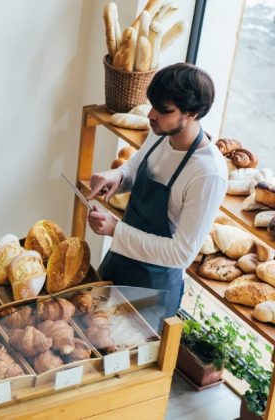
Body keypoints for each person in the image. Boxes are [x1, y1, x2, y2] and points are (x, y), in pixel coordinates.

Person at [86, 63, 228, 318]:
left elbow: (181, 254)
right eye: (153, 105)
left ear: (192, 113)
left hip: (152, 292)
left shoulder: (208, 173)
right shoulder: (161, 131)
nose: (151, 114)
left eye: (163, 110)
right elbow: (136, 167)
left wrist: (116, 229)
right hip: (117, 264)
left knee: (123, 357)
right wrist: (117, 176)